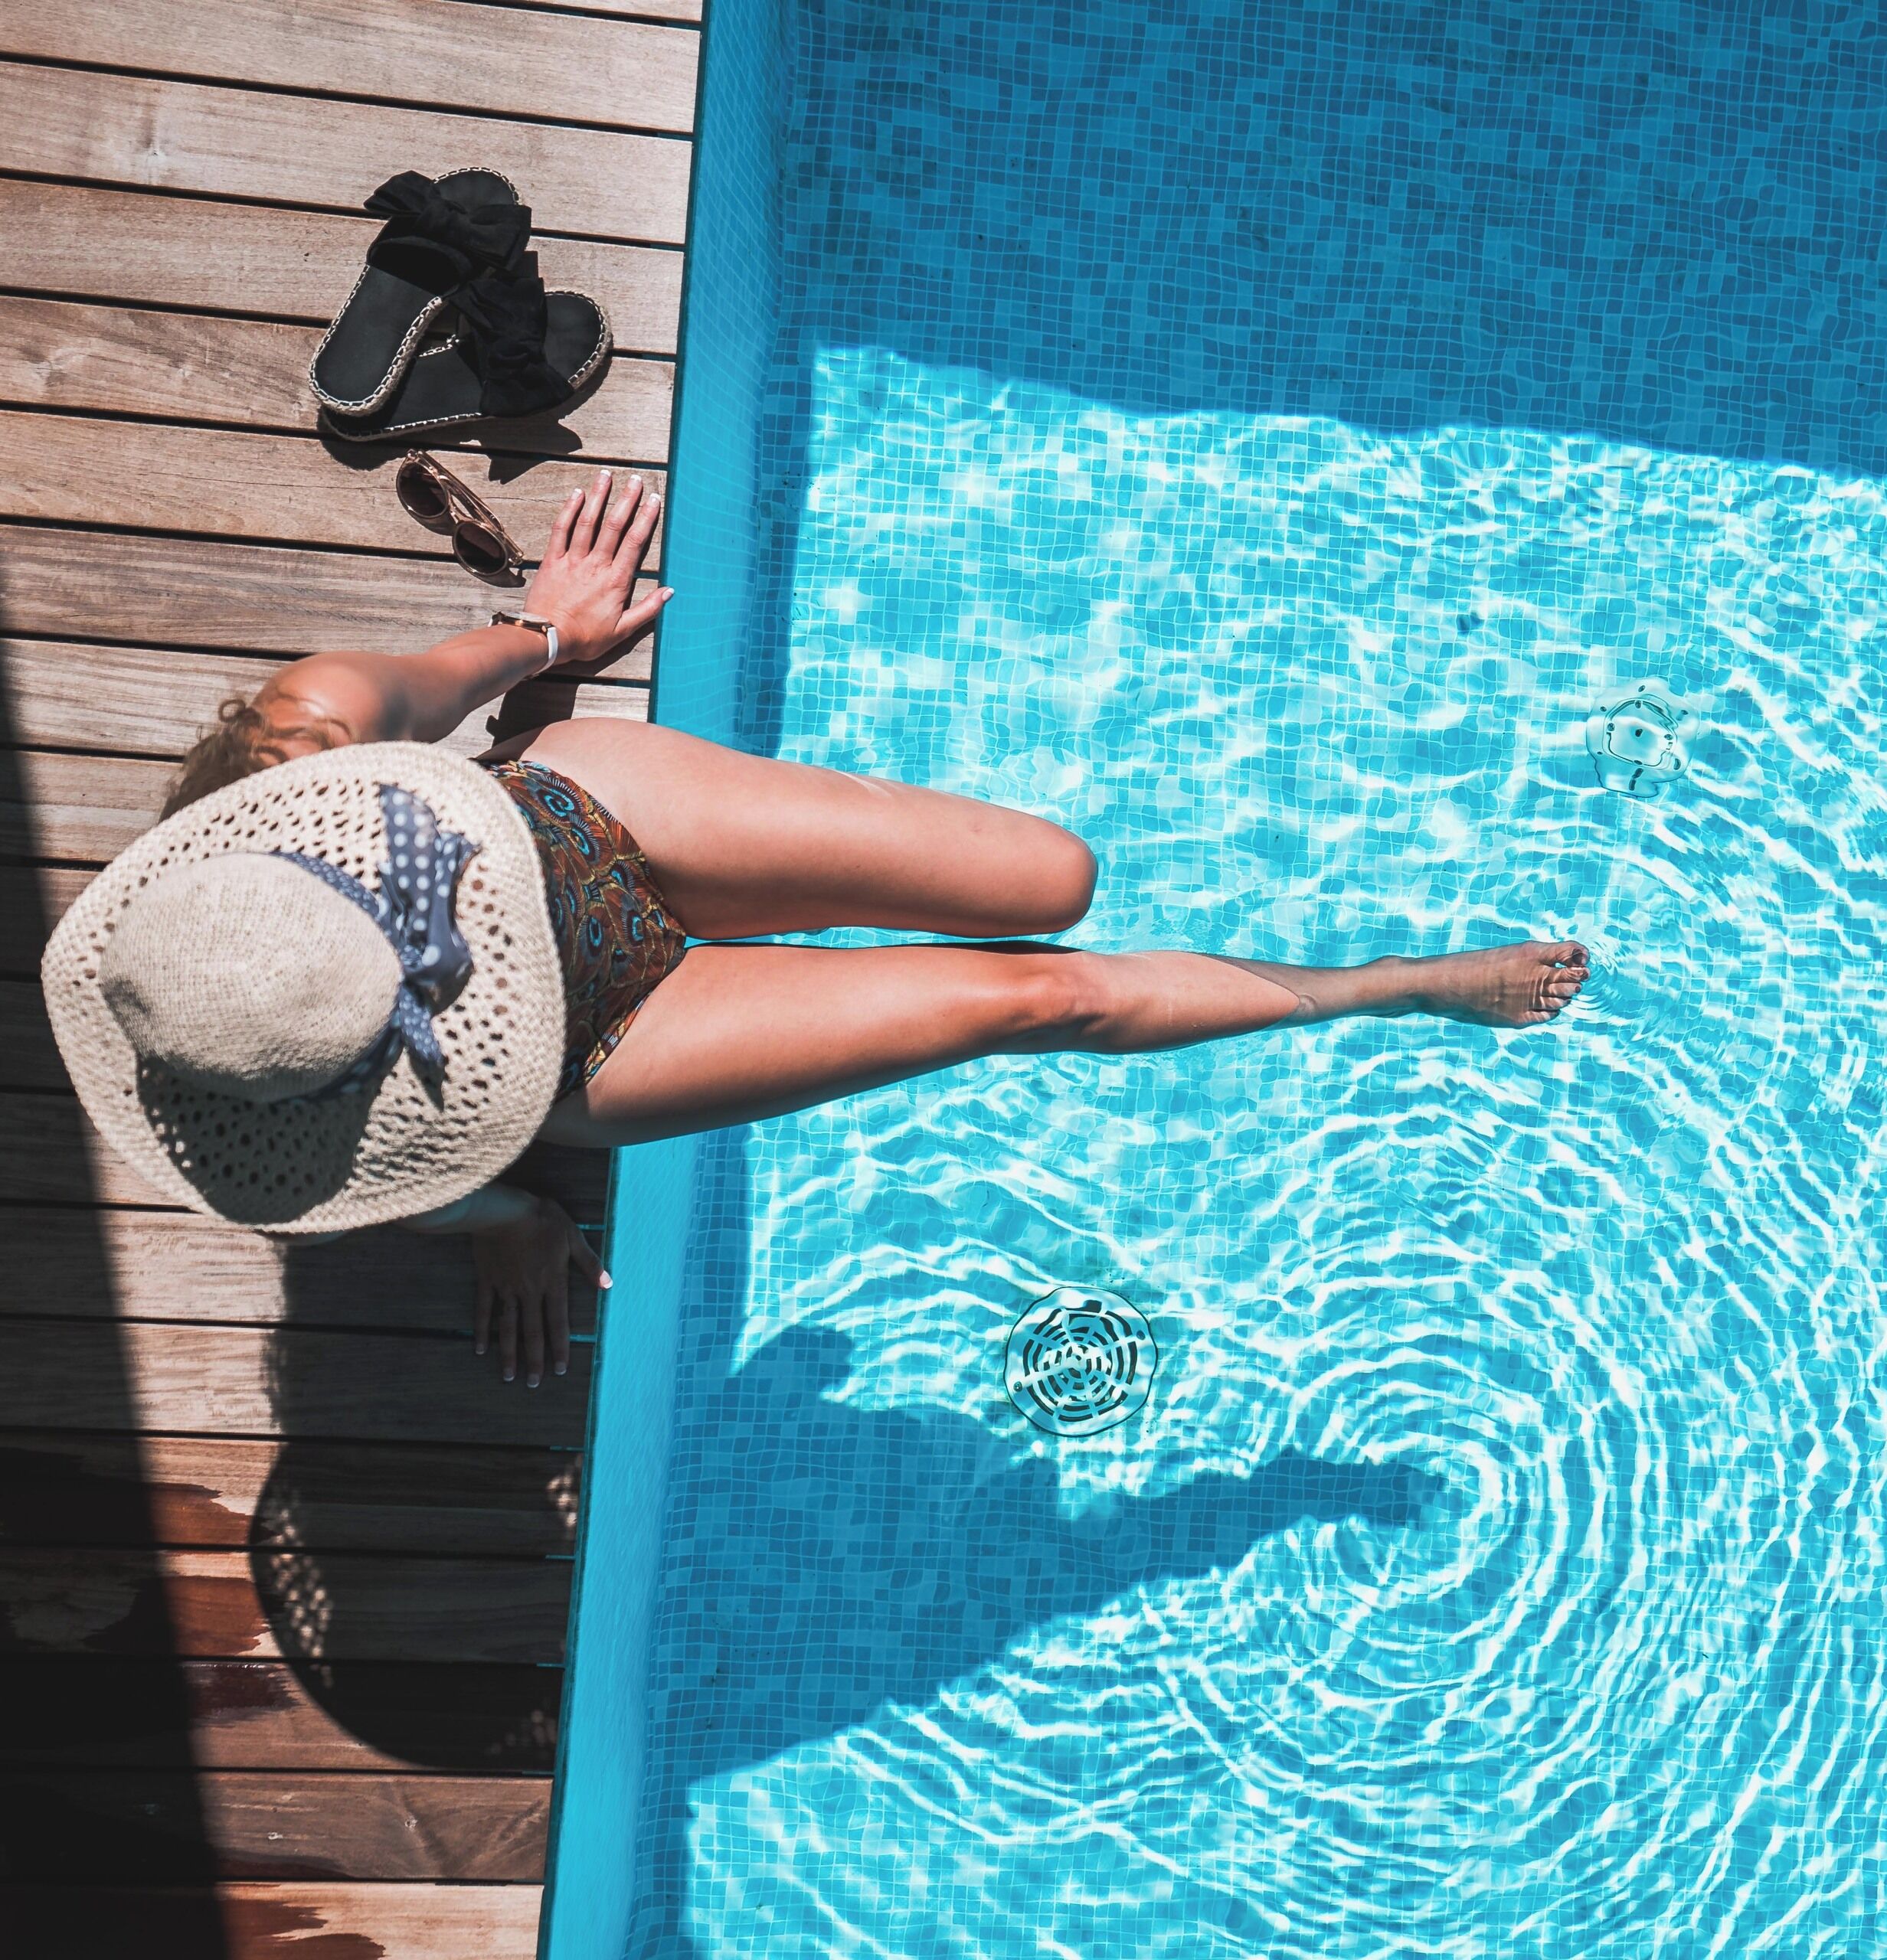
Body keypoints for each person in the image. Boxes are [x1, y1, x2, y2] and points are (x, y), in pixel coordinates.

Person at [51, 470, 1588, 1389]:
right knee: (1035, 999)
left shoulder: (307, 727)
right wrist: (511, 1211)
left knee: (1051, 875)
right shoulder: (242, 1092)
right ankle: (1388, 987)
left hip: (577, 819)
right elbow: (364, 1190)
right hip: (602, 1041)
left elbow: (461, 675)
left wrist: (549, 634)